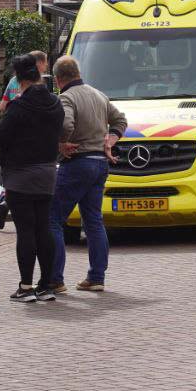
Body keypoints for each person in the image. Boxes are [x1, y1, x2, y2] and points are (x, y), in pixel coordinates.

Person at [48, 56, 126, 293]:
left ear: (58, 79)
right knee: (93, 220)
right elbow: (120, 120)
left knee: (53, 218)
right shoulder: (98, 94)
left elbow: (66, 125)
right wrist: (109, 141)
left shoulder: (67, 97)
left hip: (77, 163)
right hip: (100, 163)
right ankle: (96, 277)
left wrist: (61, 143)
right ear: (78, 73)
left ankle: (55, 279)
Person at [0, 53, 64, 302]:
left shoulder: (19, 107)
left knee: (26, 231)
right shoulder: (55, 104)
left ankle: (26, 286)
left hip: (20, 175)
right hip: (47, 172)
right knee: (44, 228)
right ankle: (47, 285)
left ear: (19, 78)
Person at [0, 49, 50, 229]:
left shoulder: (12, 82)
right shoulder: (44, 87)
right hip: (41, 156)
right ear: (38, 64)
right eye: (45, 62)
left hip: (14, 145)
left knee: (16, 185)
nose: (47, 66)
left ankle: (5, 200)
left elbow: (2, 106)